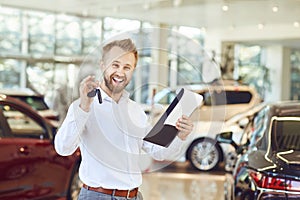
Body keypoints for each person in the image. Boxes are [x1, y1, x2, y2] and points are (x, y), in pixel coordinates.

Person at [54, 38, 194, 200]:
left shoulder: (136, 111)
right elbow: (63, 148)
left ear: (133, 70)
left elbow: (158, 152)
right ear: (102, 65)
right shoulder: (84, 106)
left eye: (127, 67)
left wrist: (180, 136)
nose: (120, 72)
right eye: (115, 65)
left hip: (133, 196)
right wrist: (84, 107)